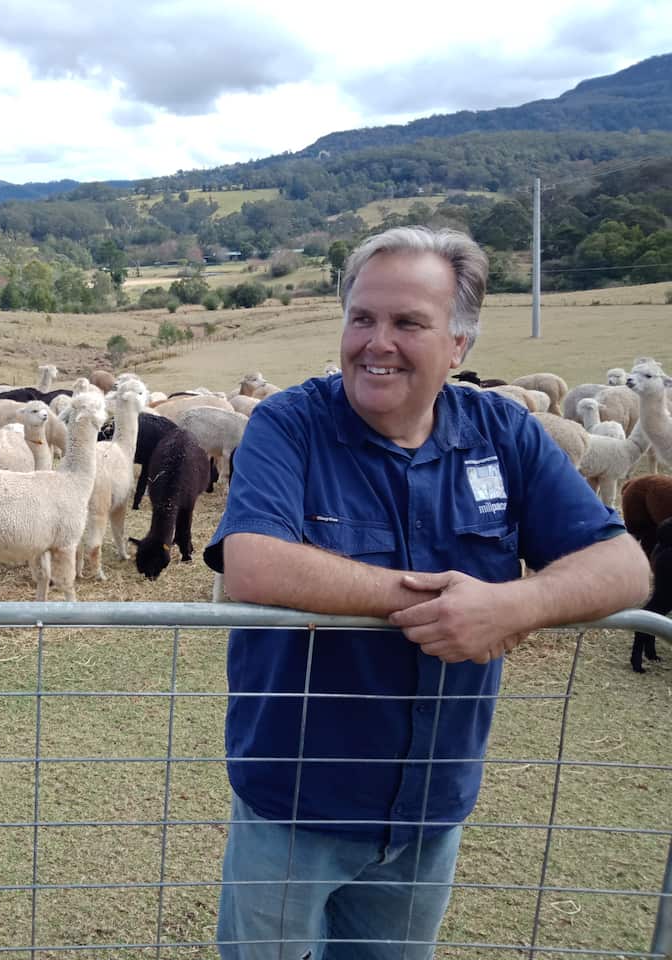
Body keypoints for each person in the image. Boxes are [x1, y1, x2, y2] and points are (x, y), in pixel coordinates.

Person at [202, 226, 649, 960]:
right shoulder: (292, 425)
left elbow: (625, 567)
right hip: (295, 803)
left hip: (430, 807)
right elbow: (251, 563)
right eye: (362, 318)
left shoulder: (503, 433)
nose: (376, 342)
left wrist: (514, 605)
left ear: (459, 345)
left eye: (408, 322)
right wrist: (433, 604)